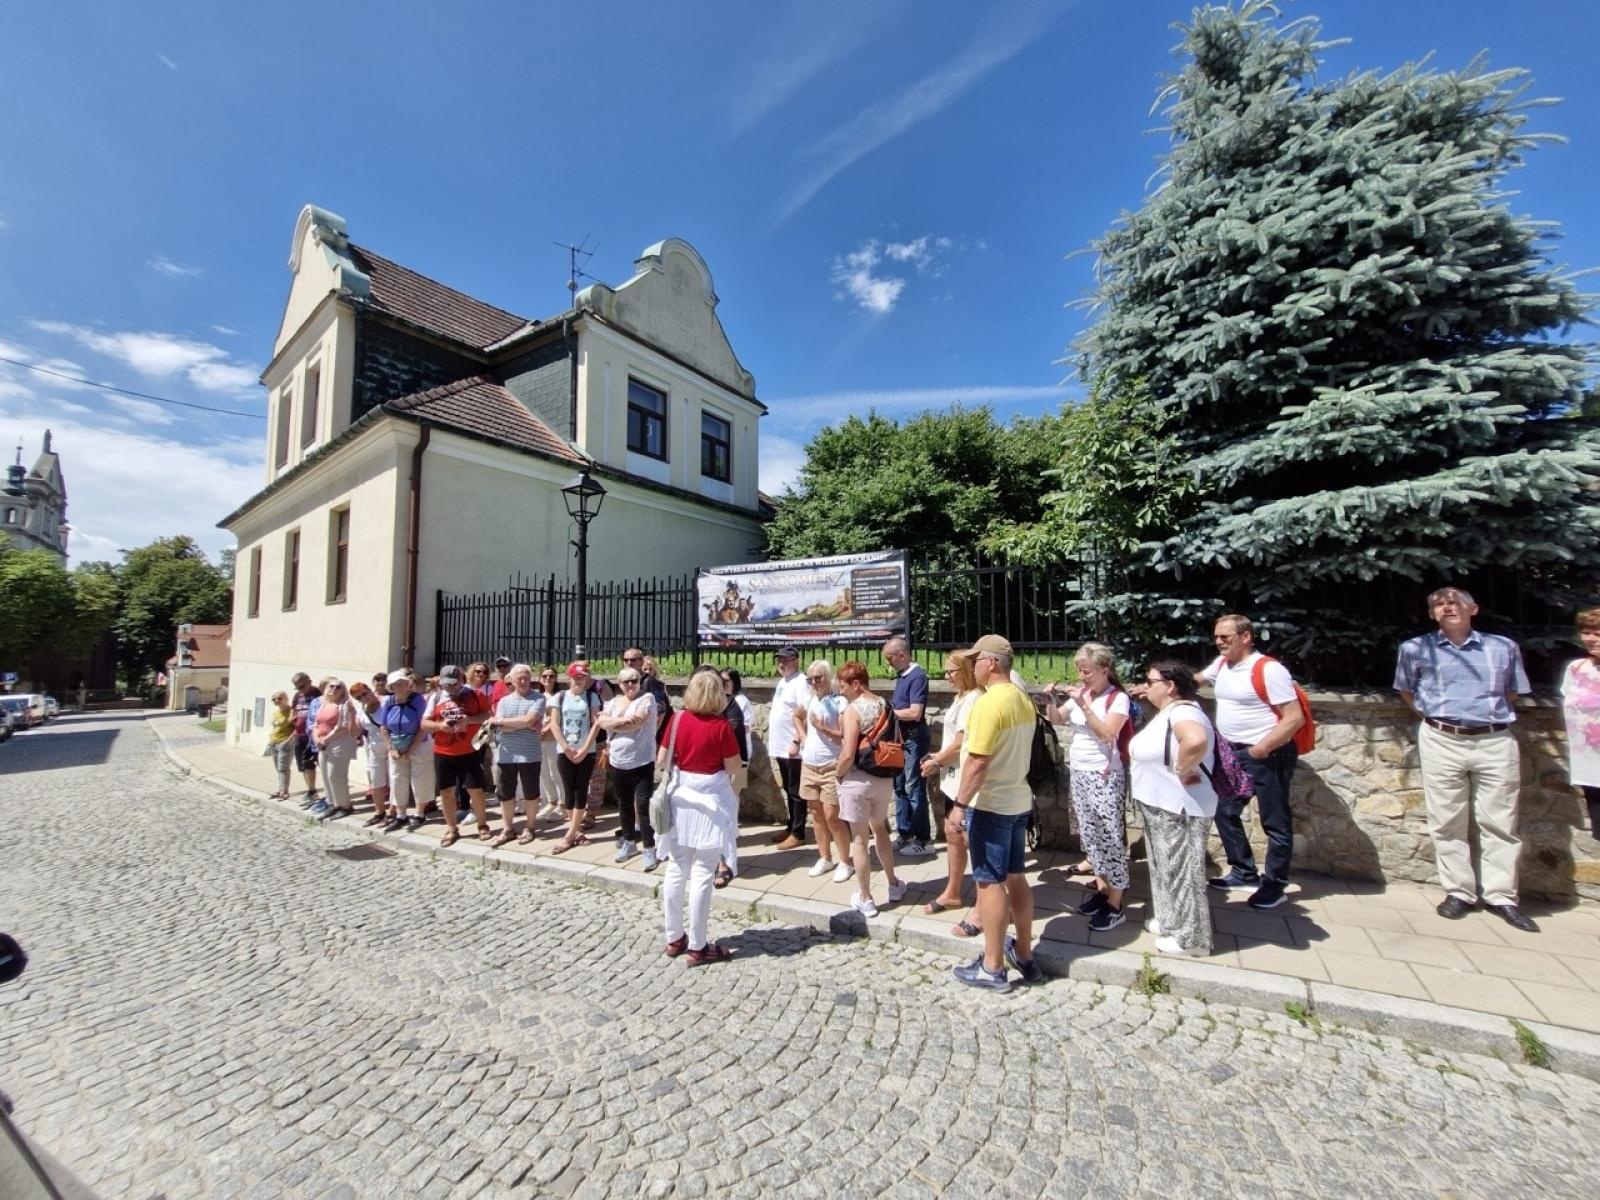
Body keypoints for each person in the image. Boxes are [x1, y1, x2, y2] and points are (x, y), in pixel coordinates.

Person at [1395, 587, 1536, 932]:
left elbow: (1513, 691)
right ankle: (1459, 892)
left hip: (1494, 740)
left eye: (1455, 601)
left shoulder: (1502, 648)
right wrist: (1437, 718)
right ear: (1432, 614)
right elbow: (1407, 691)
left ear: (1474, 608)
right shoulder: (1414, 649)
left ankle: (1501, 896)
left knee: (1500, 820)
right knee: (1446, 819)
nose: (1447, 607)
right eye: (1439, 604)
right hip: (1441, 739)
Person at [947, 636, 1041, 992]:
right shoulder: (1021, 698)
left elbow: (978, 761)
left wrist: (959, 805)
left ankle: (992, 966)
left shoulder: (988, 705)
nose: (972, 666)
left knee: (989, 882)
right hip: (1018, 800)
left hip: (992, 804)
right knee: (1016, 877)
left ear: (993, 663)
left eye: (976, 660)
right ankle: (1025, 953)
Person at [1199, 614, 1305, 909]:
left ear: (1246, 637)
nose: (1218, 642)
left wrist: (1260, 749)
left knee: (1275, 821)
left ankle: (1275, 885)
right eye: (1217, 636)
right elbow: (1193, 680)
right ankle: (1244, 872)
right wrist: (1157, 686)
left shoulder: (1268, 669)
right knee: (1224, 810)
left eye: (1225, 637)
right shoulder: (1222, 665)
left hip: (1268, 754)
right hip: (1233, 753)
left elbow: (1294, 718)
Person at [1128, 660, 1218, 958]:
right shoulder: (1169, 711)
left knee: (1183, 872)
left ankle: (1193, 938)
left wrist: (1182, 767)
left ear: (1170, 686)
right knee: (1164, 868)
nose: (1146, 685)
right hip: (1160, 804)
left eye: (1151, 681)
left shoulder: (1183, 711)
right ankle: (1170, 920)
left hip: (1180, 806)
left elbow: (1196, 740)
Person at [1044, 642, 1132, 931]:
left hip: (1104, 775)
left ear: (1104, 670)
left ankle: (1116, 901)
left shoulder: (1116, 698)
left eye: (1087, 671)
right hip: (1080, 773)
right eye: (1079, 671)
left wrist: (1085, 706)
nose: (1081, 677)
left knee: (1110, 836)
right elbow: (1056, 720)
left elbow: (1108, 735)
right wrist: (1047, 700)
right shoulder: (1083, 694)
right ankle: (1103, 889)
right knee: (1090, 836)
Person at [657, 670, 743, 966]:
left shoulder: (678, 719)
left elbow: (660, 759)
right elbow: (733, 767)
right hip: (709, 802)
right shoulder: (721, 726)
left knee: (676, 869)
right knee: (703, 874)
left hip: (681, 798)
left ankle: (674, 936)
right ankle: (698, 944)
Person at [833, 662, 908, 918]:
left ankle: (865, 898)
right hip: (883, 777)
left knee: (859, 839)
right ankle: (893, 883)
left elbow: (847, 752)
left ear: (856, 684)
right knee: (881, 829)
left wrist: (838, 774)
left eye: (842, 686)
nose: (841, 691)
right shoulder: (885, 704)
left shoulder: (854, 710)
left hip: (857, 779)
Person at [919, 652, 982, 932]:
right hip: (952, 779)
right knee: (953, 835)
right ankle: (953, 891)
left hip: (965, 782)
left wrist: (936, 760)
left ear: (966, 670)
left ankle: (984, 905)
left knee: (972, 841)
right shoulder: (961, 696)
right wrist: (939, 756)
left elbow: (960, 742)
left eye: (951, 671)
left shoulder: (975, 699)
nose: (946, 677)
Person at [423, 665, 494, 848]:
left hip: (469, 751)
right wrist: (440, 726)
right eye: (446, 684)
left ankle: (482, 824)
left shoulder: (475, 694)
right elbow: (424, 723)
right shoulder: (436, 697)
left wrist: (469, 720)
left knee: (475, 790)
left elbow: (488, 714)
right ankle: (452, 828)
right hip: (443, 751)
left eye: (453, 684)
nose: (450, 688)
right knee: (446, 791)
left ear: (461, 680)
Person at [600, 666, 661, 869]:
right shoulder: (614, 702)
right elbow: (600, 721)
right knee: (624, 804)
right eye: (626, 681)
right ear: (619, 684)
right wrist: (621, 720)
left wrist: (613, 723)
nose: (630, 684)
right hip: (619, 761)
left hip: (642, 761)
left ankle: (649, 848)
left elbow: (637, 723)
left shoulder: (647, 699)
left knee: (642, 807)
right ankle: (628, 842)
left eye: (634, 680)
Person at [797, 660, 852, 881]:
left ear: (828, 678)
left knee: (833, 816)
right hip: (810, 764)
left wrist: (822, 728)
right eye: (810, 678)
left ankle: (846, 862)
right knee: (816, 814)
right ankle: (825, 857)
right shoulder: (808, 698)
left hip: (831, 765)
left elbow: (844, 734)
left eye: (818, 678)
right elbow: (796, 716)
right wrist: (802, 737)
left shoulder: (839, 702)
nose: (814, 682)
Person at [883, 637, 934, 857]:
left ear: (902, 655)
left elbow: (915, 712)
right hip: (901, 739)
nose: (888, 663)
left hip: (913, 738)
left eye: (889, 659)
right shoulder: (903, 676)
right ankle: (904, 834)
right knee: (900, 786)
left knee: (914, 787)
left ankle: (923, 839)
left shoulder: (917, 676)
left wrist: (886, 712)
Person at [486, 663, 547, 847]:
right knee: (506, 793)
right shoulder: (504, 701)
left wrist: (504, 722)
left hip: (529, 754)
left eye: (526, 677)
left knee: (531, 792)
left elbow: (529, 720)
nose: (523, 681)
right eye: (519, 677)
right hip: (506, 754)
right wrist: (522, 724)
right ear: (511, 680)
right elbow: (500, 728)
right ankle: (508, 828)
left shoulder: (538, 699)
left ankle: (530, 827)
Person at [549, 661, 603, 853]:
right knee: (568, 791)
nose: (579, 680)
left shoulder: (592, 697)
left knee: (582, 791)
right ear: (569, 677)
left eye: (583, 677)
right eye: (576, 677)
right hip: (564, 751)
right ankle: (576, 830)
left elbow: (596, 724)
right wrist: (565, 748)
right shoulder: (560, 697)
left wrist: (585, 748)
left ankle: (570, 835)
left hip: (585, 752)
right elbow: (555, 724)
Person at [1563, 607, 1600, 839]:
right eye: (1586, 632)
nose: (1590, 638)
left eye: (1597, 632)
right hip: (1592, 770)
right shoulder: (1576, 669)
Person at [768, 645, 810, 849]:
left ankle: (798, 832)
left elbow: (804, 714)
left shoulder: (801, 682)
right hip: (780, 746)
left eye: (785, 660)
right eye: (779, 660)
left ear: (796, 661)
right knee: (788, 788)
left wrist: (796, 741)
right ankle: (791, 824)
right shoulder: (783, 682)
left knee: (796, 791)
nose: (780, 663)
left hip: (793, 748)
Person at [379, 670, 431, 833]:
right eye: (396, 684)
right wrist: (391, 748)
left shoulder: (418, 700)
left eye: (402, 683)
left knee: (419, 778)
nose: (400, 687)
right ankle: (401, 814)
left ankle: (419, 813)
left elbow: (423, 726)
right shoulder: (388, 701)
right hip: (396, 746)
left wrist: (412, 748)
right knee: (397, 779)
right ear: (391, 687)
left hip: (418, 744)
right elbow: (384, 727)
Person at [311, 680, 361, 821]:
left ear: (342, 691)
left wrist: (326, 739)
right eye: (331, 686)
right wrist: (317, 739)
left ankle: (344, 806)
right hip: (323, 745)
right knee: (326, 776)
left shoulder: (344, 705)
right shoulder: (324, 704)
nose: (334, 689)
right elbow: (316, 724)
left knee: (336, 776)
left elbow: (342, 727)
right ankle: (332, 804)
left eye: (338, 687)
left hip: (339, 744)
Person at [350, 680, 393, 828]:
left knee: (394, 780)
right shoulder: (362, 711)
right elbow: (354, 732)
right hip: (374, 747)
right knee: (376, 781)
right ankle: (379, 811)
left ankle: (393, 812)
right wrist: (351, 714)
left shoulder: (387, 701)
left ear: (370, 689)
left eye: (364, 693)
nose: (364, 697)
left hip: (391, 745)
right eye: (359, 697)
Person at [289, 672, 321, 806]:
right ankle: (311, 791)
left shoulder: (318, 694)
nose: (300, 690)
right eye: (298, 687)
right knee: (303, 765)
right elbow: (293, 709)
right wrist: (291, 717)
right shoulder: (298, 695)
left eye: (302, 686)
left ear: (309, 680)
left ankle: (327, 794)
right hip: (300, 735)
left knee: (317, 763)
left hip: (313, 735)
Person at [267, 691, 295, 800]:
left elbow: (296, 728)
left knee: (283, 768)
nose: (276, 701)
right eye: (274, 699)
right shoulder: (277, 712)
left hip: (284, 743)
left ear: (286, 698)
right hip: (274, 742)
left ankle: (284, 791)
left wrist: (288, 740)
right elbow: (276, 727)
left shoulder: (291, 711)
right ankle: (280, 789)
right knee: (278, 768)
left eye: (279, 698)